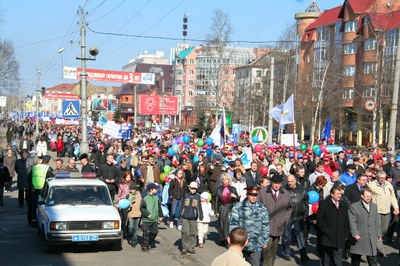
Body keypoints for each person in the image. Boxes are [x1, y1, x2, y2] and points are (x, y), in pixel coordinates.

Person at [229, 186, 270, 266]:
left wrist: (265, 241)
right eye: (251, 194)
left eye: (255, 195)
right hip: (241, 244)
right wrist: (234, 241)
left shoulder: (262, 208)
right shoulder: (238, 207)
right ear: (247, 194)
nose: (254, 197)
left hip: (257, 243)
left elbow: (265, 225)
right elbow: (233, 225)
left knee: (255, 263)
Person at [258, 174, 292, 266]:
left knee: (274, 249)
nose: (277, 185)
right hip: (266, 225)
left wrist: (285, 219)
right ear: (271, 182)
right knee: (267, 248)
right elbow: (257, 207)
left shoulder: (286, 194)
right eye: (275, 183)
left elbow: (289, 209)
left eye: (279, 183)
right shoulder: (262, 192)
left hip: (279, 225)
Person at [368, 170, 399, 256]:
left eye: (383, 178)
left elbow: (392, 197)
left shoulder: (388, 184)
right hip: (376, 210)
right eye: (380, 178)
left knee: (384, 229)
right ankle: (380, 249)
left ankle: (373, 238)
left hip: (386, 211)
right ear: (377, 177)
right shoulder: (372, 185)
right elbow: (368, 198)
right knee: (377, 228)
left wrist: (396, 207)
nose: (382, 179)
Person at [317, 186, 349, 266]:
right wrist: (326, 230)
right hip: (327, 237)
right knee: (325, 259)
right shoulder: (324, 204)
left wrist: (346, 233)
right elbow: (320, 219)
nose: (339, 196)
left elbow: (346, 220)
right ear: (332, 194)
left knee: (338, 259)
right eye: (337, 194)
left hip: (339, 237)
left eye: (340, 194)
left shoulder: (344, 205)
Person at [348, 187, 381, 266]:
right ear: (362, 196)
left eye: (370, 196)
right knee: (356, 260)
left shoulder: (374, 206)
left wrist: (378, 234)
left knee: (373, 260)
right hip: (359, 236)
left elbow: (377, 221)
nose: (368, 198)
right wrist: (355, 233)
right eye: (367, 196)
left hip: (371, 237)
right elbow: (352, 221)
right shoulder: (354, 206)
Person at [282, 174, 309, 263]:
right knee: (286, 236)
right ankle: (287, 253)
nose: (289, 183)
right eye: (288, 181)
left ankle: (303, 255)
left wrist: (306, 214)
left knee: (300, 236)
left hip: (299, 216)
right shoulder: (283, 190)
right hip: (287, 217)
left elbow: (306, 202)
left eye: (291, 181)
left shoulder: (302, 189)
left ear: (295, 180)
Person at [27, 155, 54, 226]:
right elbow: (52, 180)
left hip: (34, 189)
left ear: (42, 160)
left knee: (33, 205)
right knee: (42, 207)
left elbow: (28, 178)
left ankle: (33, 221)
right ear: (48, 161)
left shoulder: (35, 167)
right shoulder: (48, 168)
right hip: (43, 190)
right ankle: (40, 221)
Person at [215, 173, 239, 247]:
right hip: (221, 207)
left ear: (229, 180)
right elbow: (216, 201)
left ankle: (228, 240)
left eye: (226, 179)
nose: (225, 181)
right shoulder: (219, 189)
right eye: (223, 179)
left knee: (228, 224)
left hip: (230, 207)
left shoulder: (232, 189)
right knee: (221, 224)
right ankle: (222, 239)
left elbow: (238, 200)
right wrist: (216, 211)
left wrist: (234, 196)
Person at [180, 182, 203, 254]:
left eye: (195, 189)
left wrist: (201, 215)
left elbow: (200, 207)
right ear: (189, 188)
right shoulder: (185, 195)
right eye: (192, 188)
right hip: (185, 217)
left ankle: (191, 247)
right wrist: (180, 214)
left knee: (193, 232)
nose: (193, 190)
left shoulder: (198, 196)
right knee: (185, 232)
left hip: (194, 217)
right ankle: (184, 247)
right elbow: (181, 205)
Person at [140, 183, 163, 252]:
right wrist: (147, 214)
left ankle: (148, 243)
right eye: (155, 189)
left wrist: (161, 215)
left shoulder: (157, 197)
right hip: (147, 219)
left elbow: (159, 207)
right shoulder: (145, 197)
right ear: (151, 190)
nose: (157, 189)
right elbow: (142, 208)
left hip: (154, 219)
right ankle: (144, 245)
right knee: (146, 233)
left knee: (154, 232)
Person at [116, 171, 133, 238]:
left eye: (129, 177)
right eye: (127, 177)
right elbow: (119, 195)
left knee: (130, 218)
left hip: (130, 202)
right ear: (124, 177)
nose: (128, 178)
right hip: (123, 202)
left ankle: (129, 231)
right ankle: (123, 231)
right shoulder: (121, 185)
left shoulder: (132, 184)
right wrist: (119, 203)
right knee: (124, 218)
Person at [126, 182, 142, 248]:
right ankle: (129, 236)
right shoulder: (128, 196)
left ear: (135, 189)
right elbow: (125, 204)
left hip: (138, 214)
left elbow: (142, 204)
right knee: (130, 228)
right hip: (131, 214)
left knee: (136, 229)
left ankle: (134, 241)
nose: (131, 190)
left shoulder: (140, 195)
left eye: (132, 189)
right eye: (130, 189)